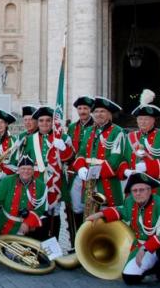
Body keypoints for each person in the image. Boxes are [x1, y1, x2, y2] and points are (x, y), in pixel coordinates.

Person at [85, 173, 160, 288]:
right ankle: (155, 267)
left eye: (142, 190)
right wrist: (101, 214)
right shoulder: (130, 201)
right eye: (134, 190)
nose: (138, 193)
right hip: (141, 247)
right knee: (129, 278)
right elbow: (122, 211)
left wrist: (146, 248)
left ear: (149, 190)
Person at [22, 106, 73, 241]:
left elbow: (69, 159)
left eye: (48, 120)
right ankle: (35, 243)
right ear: (37, 123)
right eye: (41, 120)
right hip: (36, 180)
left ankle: (52, 242)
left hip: (56, 181)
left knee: (54, 214)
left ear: (52, 122)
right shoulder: (30, 139)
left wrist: (63, 148)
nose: (44, 123)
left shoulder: (61, 137)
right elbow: (24, 161)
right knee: (36, 210)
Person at [73, 96, 128, 209]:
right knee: (89, 212)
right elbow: (81, 153)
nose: (98, 114)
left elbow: (115, 159)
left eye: (102, 111)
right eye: (96, 111)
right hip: (88, 182)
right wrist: (81, 168)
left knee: (107, 213)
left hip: (107, 181)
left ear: (109, 114)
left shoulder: (118, 131)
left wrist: (94, 173)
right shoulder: (89, 130)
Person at [0, 155, 46, 239]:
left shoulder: (41, 186)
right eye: (23, 168)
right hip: (4, 224)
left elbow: (40, 209)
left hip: (25, 229)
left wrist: (27, 223)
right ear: (18, 170)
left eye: (29, 169)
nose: (26, 171)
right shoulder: (7, 181)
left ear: (33, 170)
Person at [119, 90, 160, 200]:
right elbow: (123, 158)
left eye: (146, 119)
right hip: (134, 183)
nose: (142, 122)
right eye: (140, 119)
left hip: (155, 184)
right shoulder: (131, 136)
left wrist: (147, 166)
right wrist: (126, 170)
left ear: (153, 120)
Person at [65, 96, 93, 243]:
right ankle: (75, 240)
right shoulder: (72, 127)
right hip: (75, 172)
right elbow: (69, 152)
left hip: (91, 172)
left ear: (90, 110)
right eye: (80, 108)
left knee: (91, 208)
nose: (82, 111)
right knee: (74, 207)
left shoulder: (95, 127)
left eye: (85, 108)